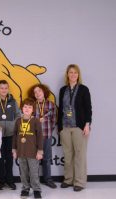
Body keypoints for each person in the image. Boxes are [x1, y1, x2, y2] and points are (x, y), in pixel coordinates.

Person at [58, 64, 92, 192]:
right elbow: (61, 109)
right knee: (68, 155)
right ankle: (68, 179)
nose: (73, 75)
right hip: (65, 127)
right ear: (67, 74)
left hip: (79, 127)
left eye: (75, 73)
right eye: (70, 72)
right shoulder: (63, 90)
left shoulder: (83, 89)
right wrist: (60, 127)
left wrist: (87, 124)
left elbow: (88, 108)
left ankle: (79, 182)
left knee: (80, 155)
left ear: (78, 75)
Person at [0, 80, 21, 190]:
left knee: (9, 158)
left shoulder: (13, 102)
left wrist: (13, 125)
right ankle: (1, 181)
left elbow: (18, 115)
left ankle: (10, 180)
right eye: (1, 88)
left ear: (8, 89)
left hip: (10, 134)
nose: (3, 90)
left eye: (5, 88)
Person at [12, 98, 43, 199]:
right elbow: (15, 136)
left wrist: (40, 151)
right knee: (23, 172)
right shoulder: (18, 121)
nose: (27, 109)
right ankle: (25, 188)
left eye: (30, 107)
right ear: (22, 108)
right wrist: (14, 150)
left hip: (33, 152)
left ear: (33, 109)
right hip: (21, 152)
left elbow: (40, 137)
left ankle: (36, 190)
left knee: (34, 173)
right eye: (25, 107)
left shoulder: (36, 121)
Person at [28, 84, 57, 189]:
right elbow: (28, 121)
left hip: (47, 136)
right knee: (34, 160)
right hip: (34, 138)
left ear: (44, 91)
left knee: (47, 158)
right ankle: (34, 181)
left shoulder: (51, 105)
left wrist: (49, 131)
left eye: (39, 91)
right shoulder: (32, 105)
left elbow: (54, 120)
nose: (37, 93)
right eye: (35, 92)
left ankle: (48, 179)